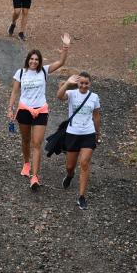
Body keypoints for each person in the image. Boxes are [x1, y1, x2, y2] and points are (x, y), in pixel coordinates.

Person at [7, 33, 71, 190]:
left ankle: (34, 177)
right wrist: (10, 108)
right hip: (24, 110)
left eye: (36, 59)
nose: (34, 61)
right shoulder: (20, 73)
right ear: (28, 59)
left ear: (39, 61)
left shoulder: (44, 71)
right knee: (26, 140)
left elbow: (61, 62)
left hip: (41, 110)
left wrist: (65, 46)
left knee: (37, 143)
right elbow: (14, 92)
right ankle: (26, 163)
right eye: (31, 59)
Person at [56, 72, 101, 210]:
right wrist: (67, 83)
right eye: (81, 83)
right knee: (70, 166)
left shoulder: (94, 97)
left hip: (88, 133)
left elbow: (96, 116)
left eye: (86, 83)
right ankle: (70, 175)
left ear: (90, 83)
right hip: (73, 133)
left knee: (84, 163)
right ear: (78, 83)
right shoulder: (71, 93)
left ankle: (81, 196)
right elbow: (59, 96)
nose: (83, 85)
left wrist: (97, 133)